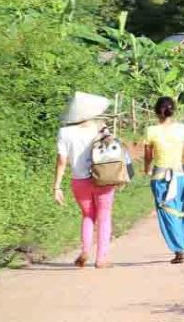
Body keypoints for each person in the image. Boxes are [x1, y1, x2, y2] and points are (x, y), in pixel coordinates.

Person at [53, 92, 115, 269]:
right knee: (104, 217)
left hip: (79, 181)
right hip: (103, 178)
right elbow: (110, 151)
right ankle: (101, 258)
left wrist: (57, 186)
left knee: (88, 216)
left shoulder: (64, 132)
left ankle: (85, 249)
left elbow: (61, 161)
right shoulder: (100, 127)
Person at [144, 97, 184, 264]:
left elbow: (148, 156)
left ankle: (179, 248)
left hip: (160, 178)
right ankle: (181, 246)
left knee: (167, 213)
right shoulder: (182, 129)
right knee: (180, 212)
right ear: (173, 110)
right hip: (181, 177)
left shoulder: (151, 130)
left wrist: (146, 169)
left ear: (156, 111)